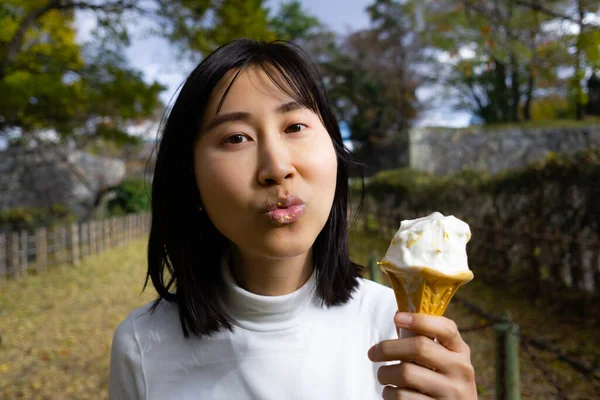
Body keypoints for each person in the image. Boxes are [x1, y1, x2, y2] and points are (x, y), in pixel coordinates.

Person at [109, 38, 477, 400]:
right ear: (190, 176)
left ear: (334, 150)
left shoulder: (396, 327)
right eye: (237, 137)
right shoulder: (142, 347)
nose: (277, 167)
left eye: (294, 127)